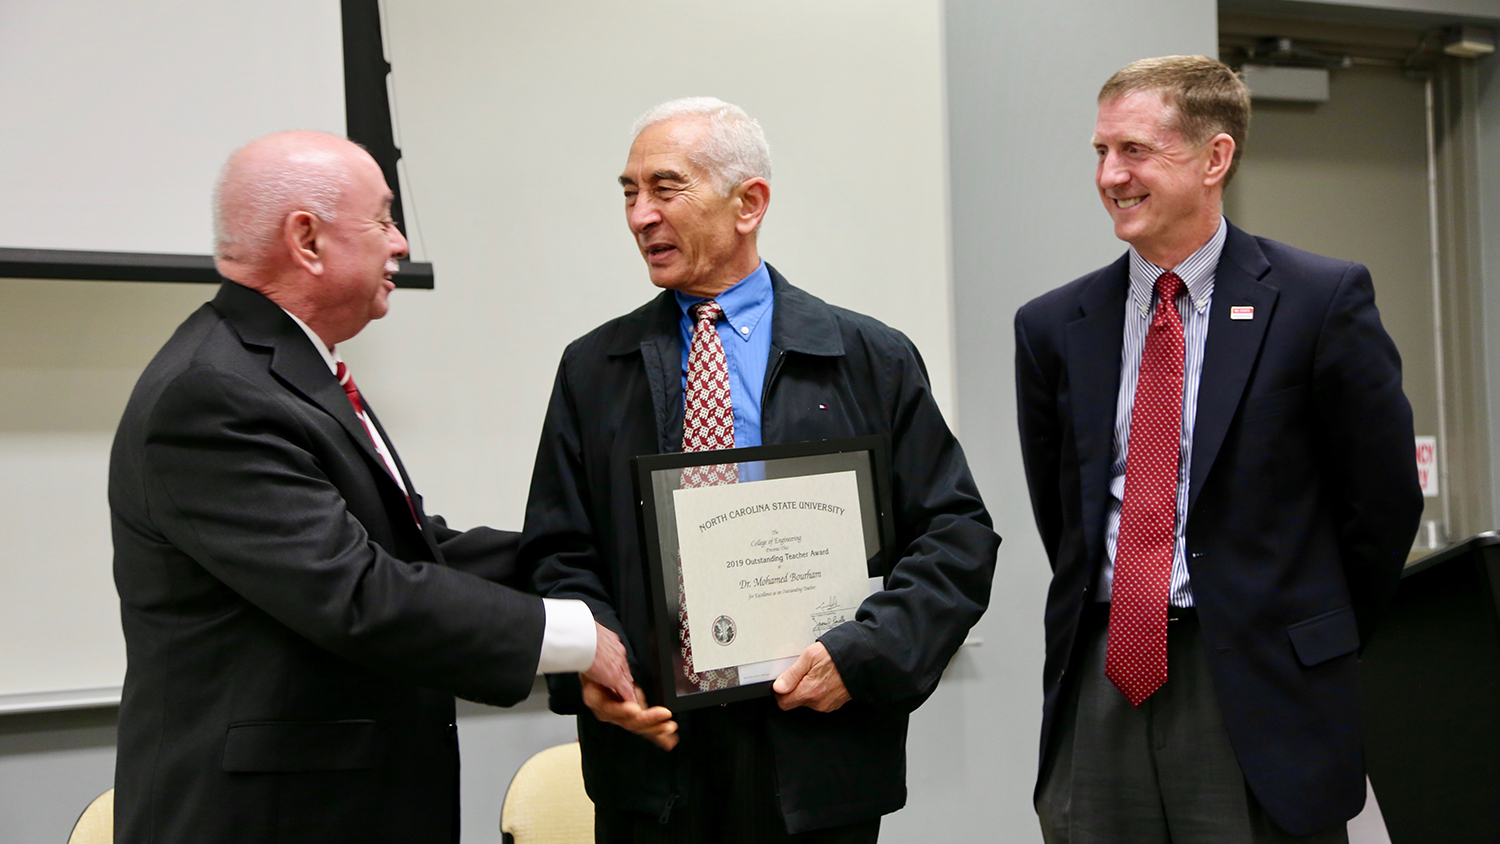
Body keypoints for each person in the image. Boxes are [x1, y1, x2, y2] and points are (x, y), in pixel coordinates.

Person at [109, 130, 634, 844]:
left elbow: (416, 551)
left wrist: (608, 563)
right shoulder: (212, 393)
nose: (401, 243)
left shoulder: (279, 367)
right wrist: (577, 635)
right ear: (307, 240)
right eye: (383, 218)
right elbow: (355, 591)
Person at [521, 97, 1000, 842]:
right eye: (628, 192)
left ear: (749, 203)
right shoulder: (593, 370)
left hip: (815, 758)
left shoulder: (869, 358)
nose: (639, 216)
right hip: (654, 761)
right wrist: (593, 657)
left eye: (665, 188)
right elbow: (559, 550)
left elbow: (955, 538)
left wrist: (863, 656)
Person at [1014, 56, 1424, 843]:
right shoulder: (1054, 326)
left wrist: (1313, 633)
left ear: (1215, 158)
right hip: (1103, 672)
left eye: (1135, 150)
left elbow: (1381, 503)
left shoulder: (1318, 301)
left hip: (1259, 682)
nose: (1110, 175)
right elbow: (1062, 510)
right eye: (1100, 153)